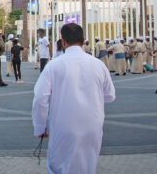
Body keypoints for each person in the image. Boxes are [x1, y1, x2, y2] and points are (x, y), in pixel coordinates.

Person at [32, 23, 116, 174]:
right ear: (83, 41)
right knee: (88, 165)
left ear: (63, 41)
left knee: (60, 166)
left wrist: (40, 126)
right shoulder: (98, 65)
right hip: (93, 125)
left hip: (64, 125)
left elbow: (40, 98)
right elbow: (109, 95)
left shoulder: (54, 66)